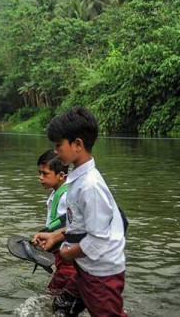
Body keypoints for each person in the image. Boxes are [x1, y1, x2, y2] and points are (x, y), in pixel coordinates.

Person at [32, 107, 126, 317]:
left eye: (58, 145)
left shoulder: (90, 186)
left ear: (77, 145)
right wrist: (56, 235)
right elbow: (81, 225)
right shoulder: (78, 179)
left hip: (101, 273)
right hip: (86, 268)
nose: (55, 151)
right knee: (62, 307)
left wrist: (66, 253)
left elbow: (98, 240)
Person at [32, 149, 77, 294]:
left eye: (45, 174)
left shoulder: (66, 196)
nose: (40, 177)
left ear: (61, 175)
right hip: (63, 255)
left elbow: (72, 224)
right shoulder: (58, 191)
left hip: (68, 257)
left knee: (51, 295)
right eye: (39, 173)